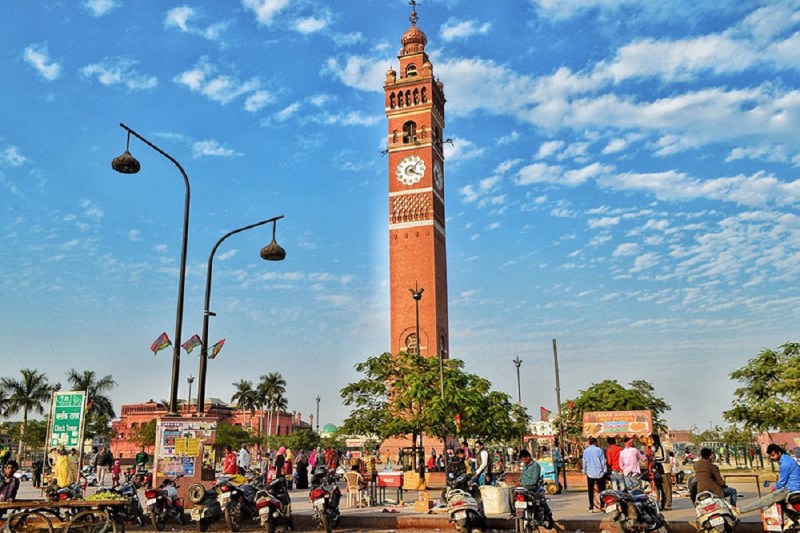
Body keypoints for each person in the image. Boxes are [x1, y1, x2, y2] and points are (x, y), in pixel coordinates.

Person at [740, 444, 800, 513]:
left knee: (765, 500)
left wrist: (774, 489)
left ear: (779, 453)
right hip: (792, 486)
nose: (772, 457)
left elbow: (782, 481)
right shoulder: (786, 458)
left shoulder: (785, 463)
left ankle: (740, 510)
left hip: (792, 488)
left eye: (773, 455)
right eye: (771, 455)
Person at [582, 437, 607, 512]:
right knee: (602, 491)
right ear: (595, 442)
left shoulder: (586, 451)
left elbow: (584, 462)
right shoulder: (599, 450)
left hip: (590, 473)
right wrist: (604, 470)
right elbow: (603, 461)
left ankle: (591, 507)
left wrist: (584, 470)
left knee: (590, 490)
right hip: (599, 472)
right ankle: (602, 506)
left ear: (589, 442)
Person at [652, 434, 672, 510]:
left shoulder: (661, 447)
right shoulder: (654, 448)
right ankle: (662, 503)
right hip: (658, 470)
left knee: (666, 488)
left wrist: (654, 460)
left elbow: (664, 458)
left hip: (664, 470)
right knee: (660, 488)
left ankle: (667, 505)